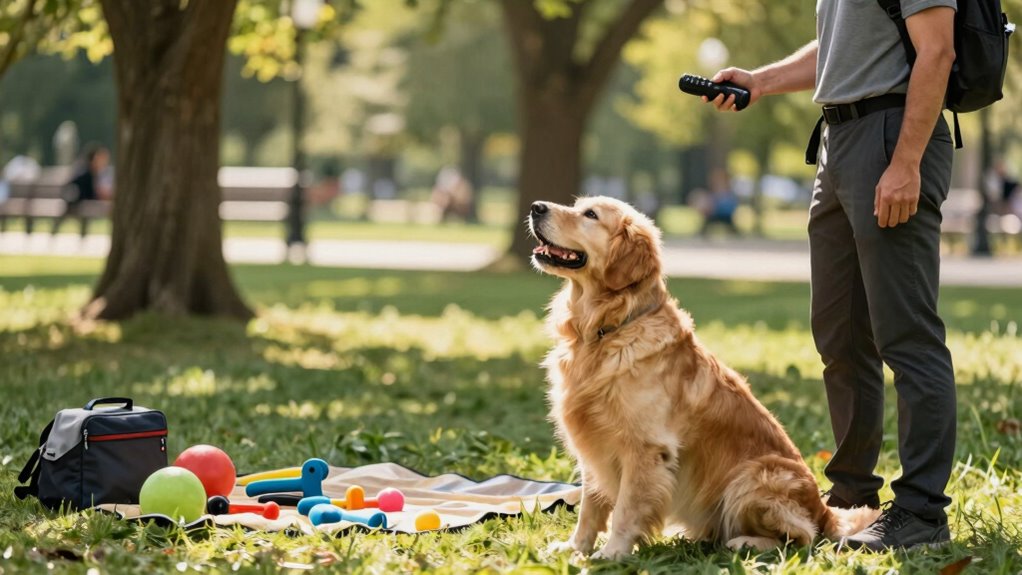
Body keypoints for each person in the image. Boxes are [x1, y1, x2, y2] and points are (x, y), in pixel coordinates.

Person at [703, 0, 957, 551]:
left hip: (891, 135)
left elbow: (937, 50)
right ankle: (852, 499)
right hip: (838, 143)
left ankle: (921, 513)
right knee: (840, 337)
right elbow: (841, 51)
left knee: (906, 335)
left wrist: (906, 161)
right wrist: (761, 81)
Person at [53, 144, 112, 237]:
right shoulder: (87, 173)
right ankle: (82, 234)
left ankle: (79, 233)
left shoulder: (94, 172)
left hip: (79, 200)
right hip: (81, 199)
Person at [697, 168, 741, 237]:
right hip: (714, 214)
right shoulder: (714, 193)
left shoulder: (728, 194)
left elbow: (731, 205)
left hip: (725, 215)